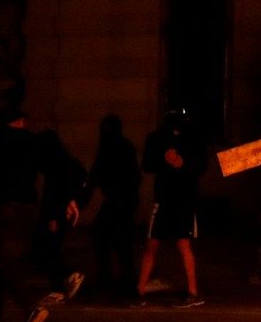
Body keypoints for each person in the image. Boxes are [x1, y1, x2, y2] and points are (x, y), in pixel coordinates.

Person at [0, 104, 78, 322]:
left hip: (4, 206)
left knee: (4, 260)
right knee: (4, 258)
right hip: (27, 206)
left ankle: (30, 309)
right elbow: (57, 169)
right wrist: (67, 199)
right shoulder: (33, 142)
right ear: (19, 120)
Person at [135, 107, 208, 308]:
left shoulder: (193, 138)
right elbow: (147, 164)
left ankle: (193, 291)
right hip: (165, 198)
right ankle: (139, 290)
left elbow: (201, 165)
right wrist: (164, 158)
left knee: (183, 243)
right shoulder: (158, 138)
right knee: (153, 243)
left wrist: (183, 163)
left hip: (184, 198)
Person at [85, 113, 141, 298]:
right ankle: (117, 278)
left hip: (121, 198)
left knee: (112, 238)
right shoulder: (122, 146)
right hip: (123, 198)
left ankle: (117, 279)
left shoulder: (115, 147)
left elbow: (99, 172)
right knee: (113, 237)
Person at [34, 129, 88, 306]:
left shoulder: (54, 165)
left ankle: (64, 281)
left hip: (55, 214)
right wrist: (73, 201)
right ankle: (60, 285)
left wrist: (52, 218)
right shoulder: (67, 161)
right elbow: (79, 180)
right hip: (62, 212)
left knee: (49, 250)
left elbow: (53, 193)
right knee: (50, 249)